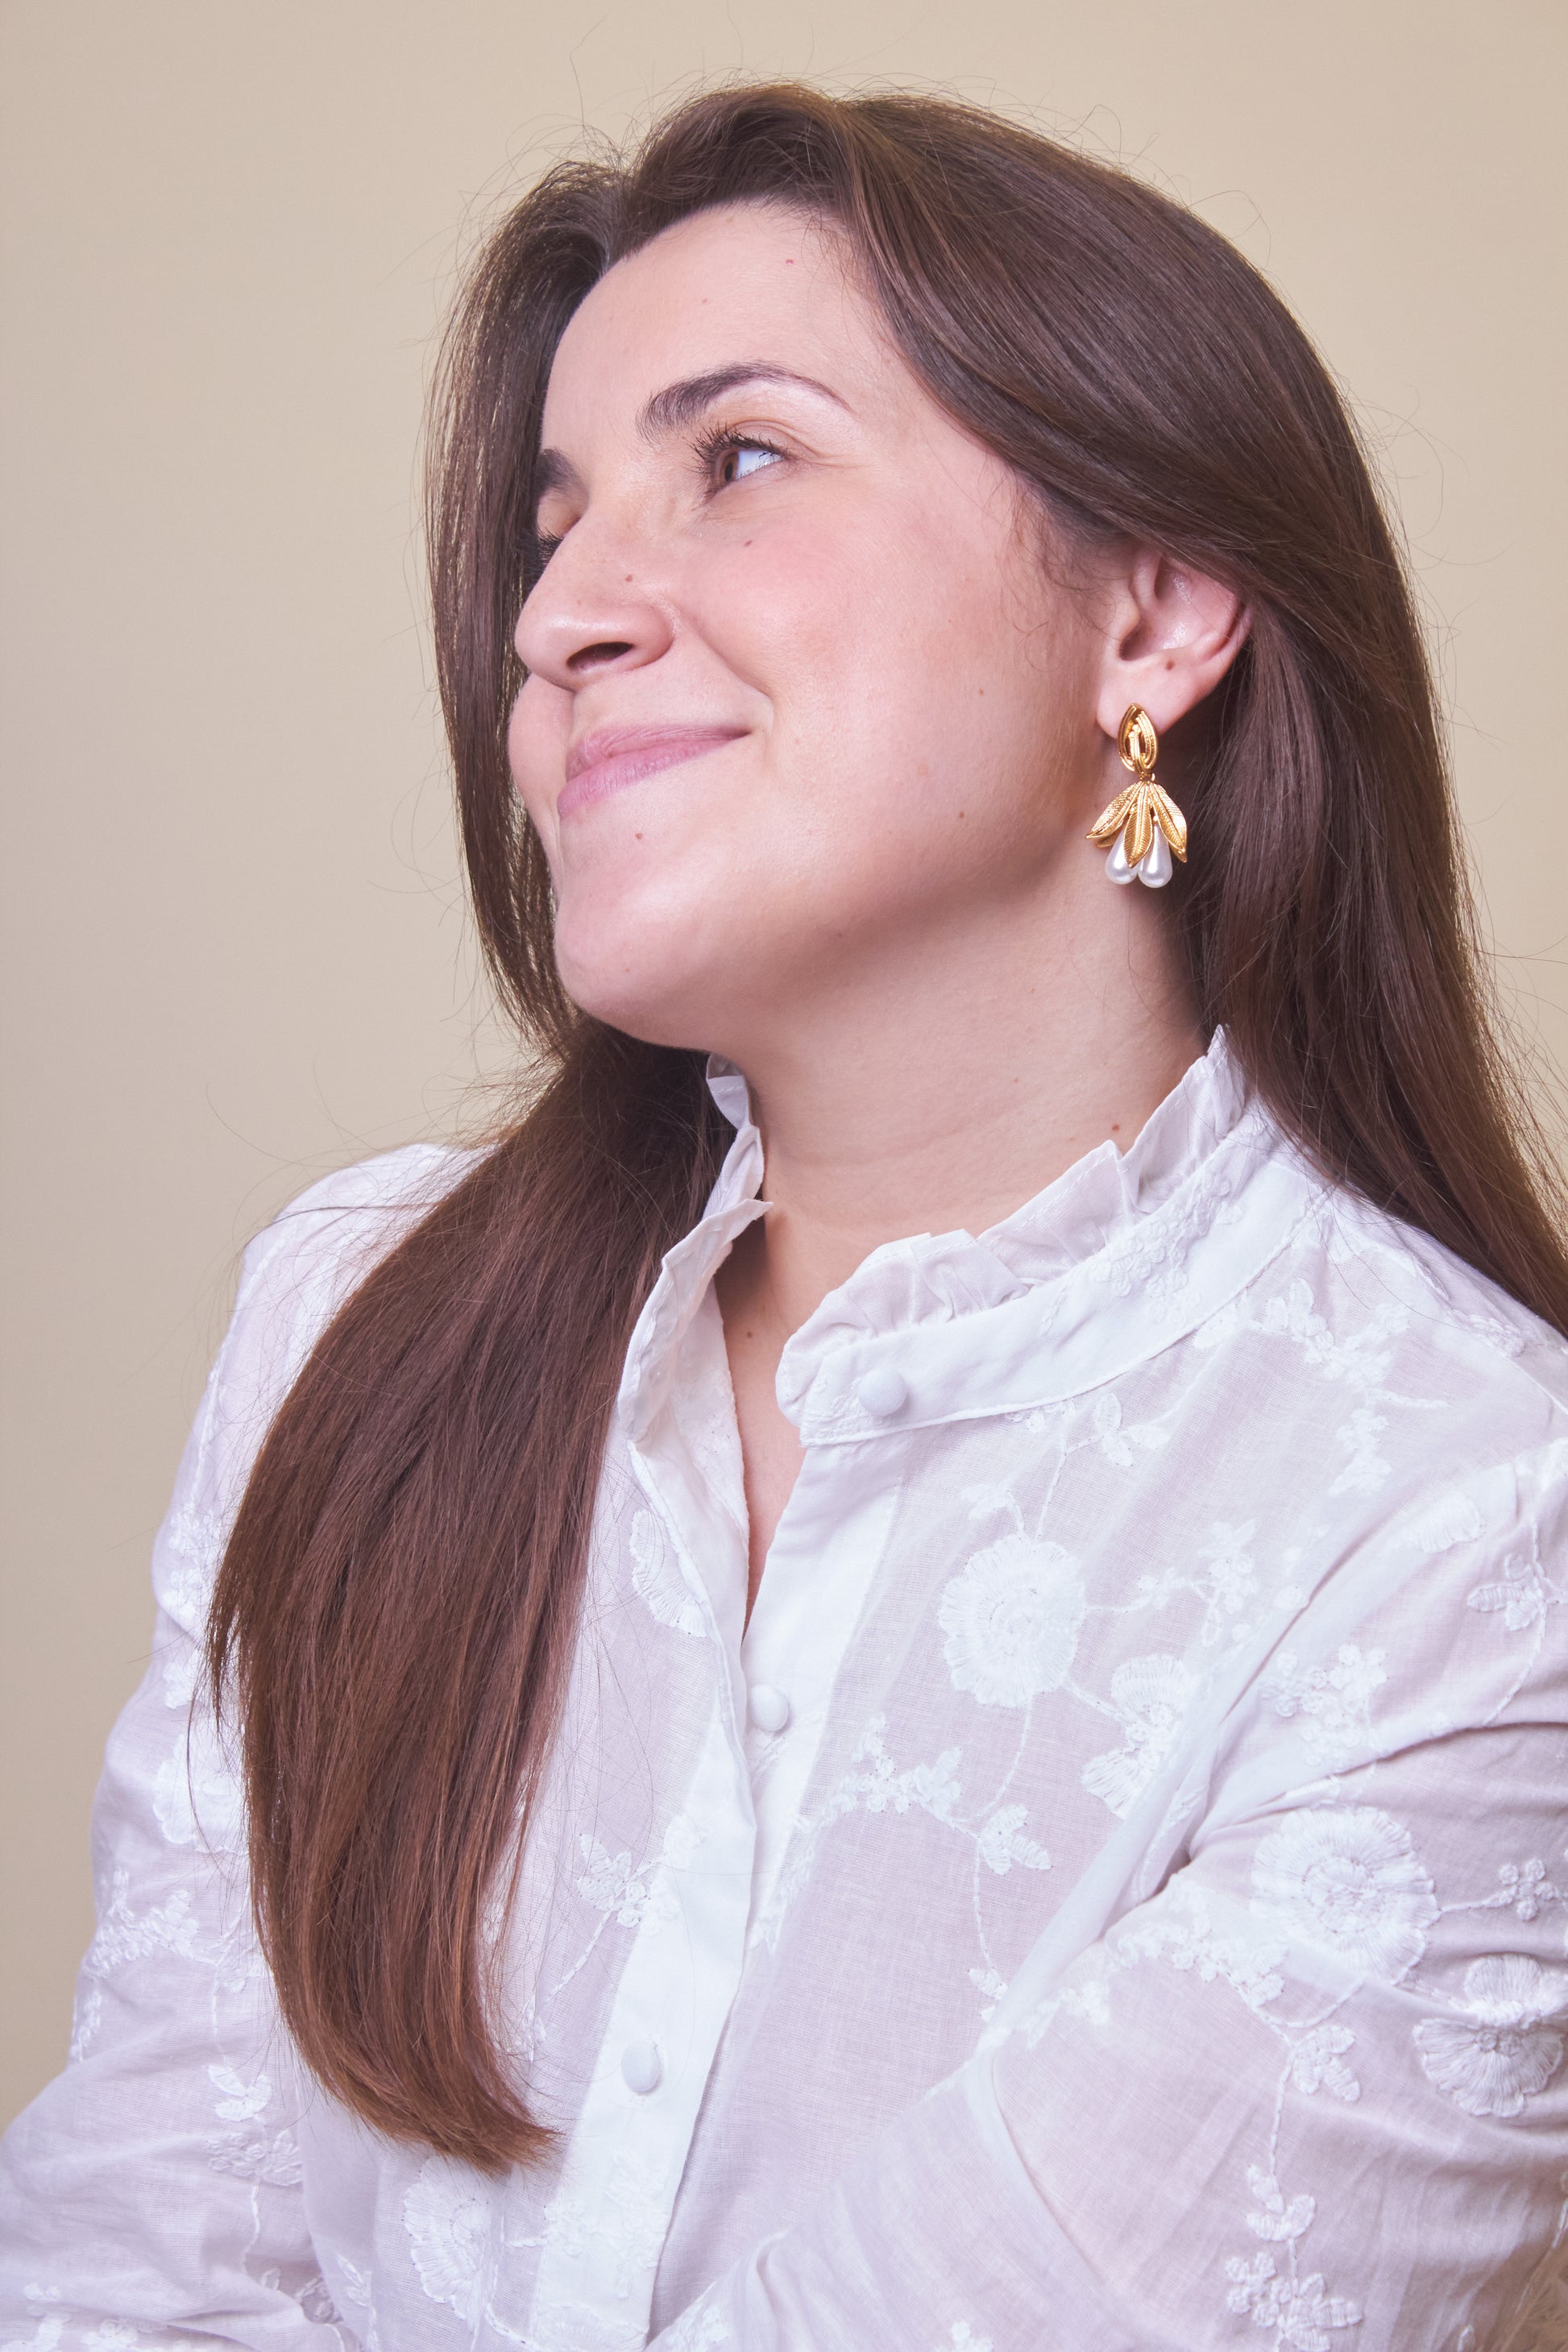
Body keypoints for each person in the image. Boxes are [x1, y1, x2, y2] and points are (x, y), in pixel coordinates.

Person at [2, 80, 1565, 2352]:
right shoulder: (352, 1322)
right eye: (550, 526)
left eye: (738, 460)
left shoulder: (1476, 1529)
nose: (556, 619)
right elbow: (131, 2273)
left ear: (1150, 616)